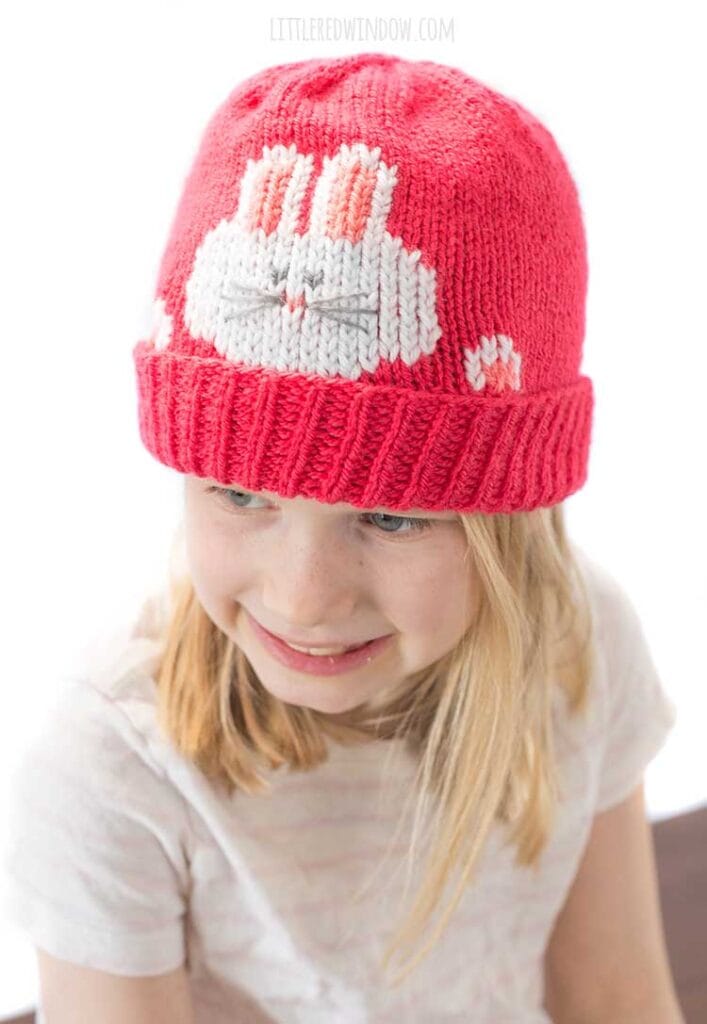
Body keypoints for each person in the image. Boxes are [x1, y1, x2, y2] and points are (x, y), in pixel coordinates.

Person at [0, 52, 683, 1024]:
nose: (303, 596)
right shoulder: (109, 763)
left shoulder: (579, 646)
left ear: (508, 518)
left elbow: (615, 997)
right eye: (240, 493)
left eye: (390, 514)